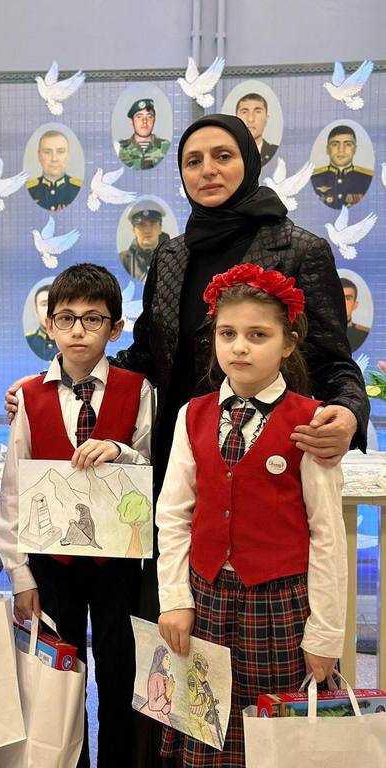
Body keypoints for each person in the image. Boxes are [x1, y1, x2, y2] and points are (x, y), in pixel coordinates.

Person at [6, 114, 368, 768]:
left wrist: (345, 412)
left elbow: (335, 360)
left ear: (249, 160)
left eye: (223, 155)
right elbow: (145, 355)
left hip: (268, 467)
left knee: (257, 691)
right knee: (175, 667)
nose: (208, 170)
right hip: (176, 471)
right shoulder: (172, 254)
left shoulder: (299, 248)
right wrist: (64, 380)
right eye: (193, 160)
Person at [156, 263, 347, 767]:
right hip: (206, 600)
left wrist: (325, 634)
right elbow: (172, 515)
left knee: (278, 742)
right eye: (228, 334)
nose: (239, 347)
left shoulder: (311, 420)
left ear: (288, 343)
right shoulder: (192, 414)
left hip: (280, 607)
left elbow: (327, 534)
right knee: (207, 731)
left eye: (257, 335)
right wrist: (174, 599)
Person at [0, 263, 153, 768]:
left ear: (116, 328)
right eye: (66, 318)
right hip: (50, 563)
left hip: (118, 564)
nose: (78, 330)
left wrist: (121, 452)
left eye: (93, 319)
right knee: (58, 678)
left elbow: (156, 470)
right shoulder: (29, 396)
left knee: (121, 675)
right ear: (49, 326)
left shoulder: (138, 389)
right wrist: (20, 575)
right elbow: (13, 491)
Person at [311, 124, 372, 209]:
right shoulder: (314, 178)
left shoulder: (367, 179)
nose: (341, 149)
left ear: (355, 149)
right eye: (335, 144)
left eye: (348, 144)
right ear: (327, 149)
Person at [26, 129, 82, 211]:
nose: (54, 159)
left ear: (68, 155)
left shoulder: (79, 189)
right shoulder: (29, 190)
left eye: (60, 152)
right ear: (39, 156)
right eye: (47, 152)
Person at [119, 202, 170, 281]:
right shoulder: (123, 260)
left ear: (160, 228)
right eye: (141, 225)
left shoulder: (173, 258)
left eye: (152, 224)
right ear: (134, 230)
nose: (147, 230)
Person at [118, 99, 170, 171]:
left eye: (149, 116)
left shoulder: (167, 147)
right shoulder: (119, 148)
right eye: (139, 117)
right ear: (132, 122)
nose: (144, 121)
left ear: (154, 121)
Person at [235, 93, 277, 166]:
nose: (250, 119)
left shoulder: (276, 153)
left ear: (266, 119)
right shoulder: (226, 153)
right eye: (244, 112)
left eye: (258, 112)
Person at [139, 645, 174, 726]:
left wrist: (170, 694)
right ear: (160, 659)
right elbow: (152, 706)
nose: (169, 662)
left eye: (169, 659)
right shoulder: (154, 676)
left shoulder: (166, 679)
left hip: (161, 716)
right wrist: (167, 694)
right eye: (166, 658)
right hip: (150, 714)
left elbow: (166, 710)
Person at [25, 283, 57, 360]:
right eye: (44, 304)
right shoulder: (28, 340)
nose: (49, 310)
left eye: (54, 303)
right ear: (36, 310)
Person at [340, 277, 370, 352]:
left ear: (355, 305)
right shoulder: (322, 333)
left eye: (348, 298)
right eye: (339, 297)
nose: (343, 302)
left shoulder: (363, 334)